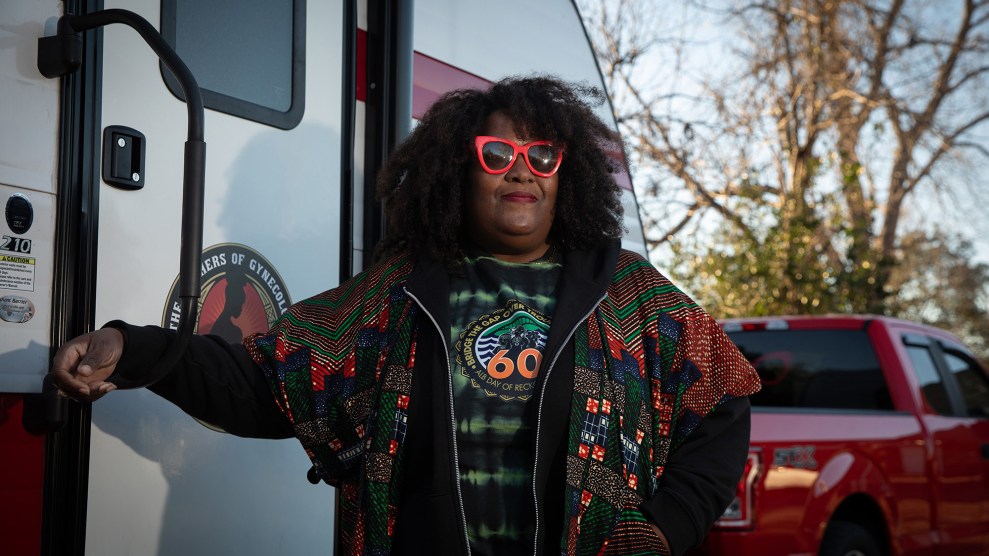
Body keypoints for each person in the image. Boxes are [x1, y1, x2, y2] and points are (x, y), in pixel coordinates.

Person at [51, 75, 762, 556]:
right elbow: (265, 383)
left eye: (541, 155)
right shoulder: (400, 290)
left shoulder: (629, 292)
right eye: (497, 153)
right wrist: (133, 348)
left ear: (563, 175)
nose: (521, 169)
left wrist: (668, 526)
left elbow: (724, 397)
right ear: (460, 170)